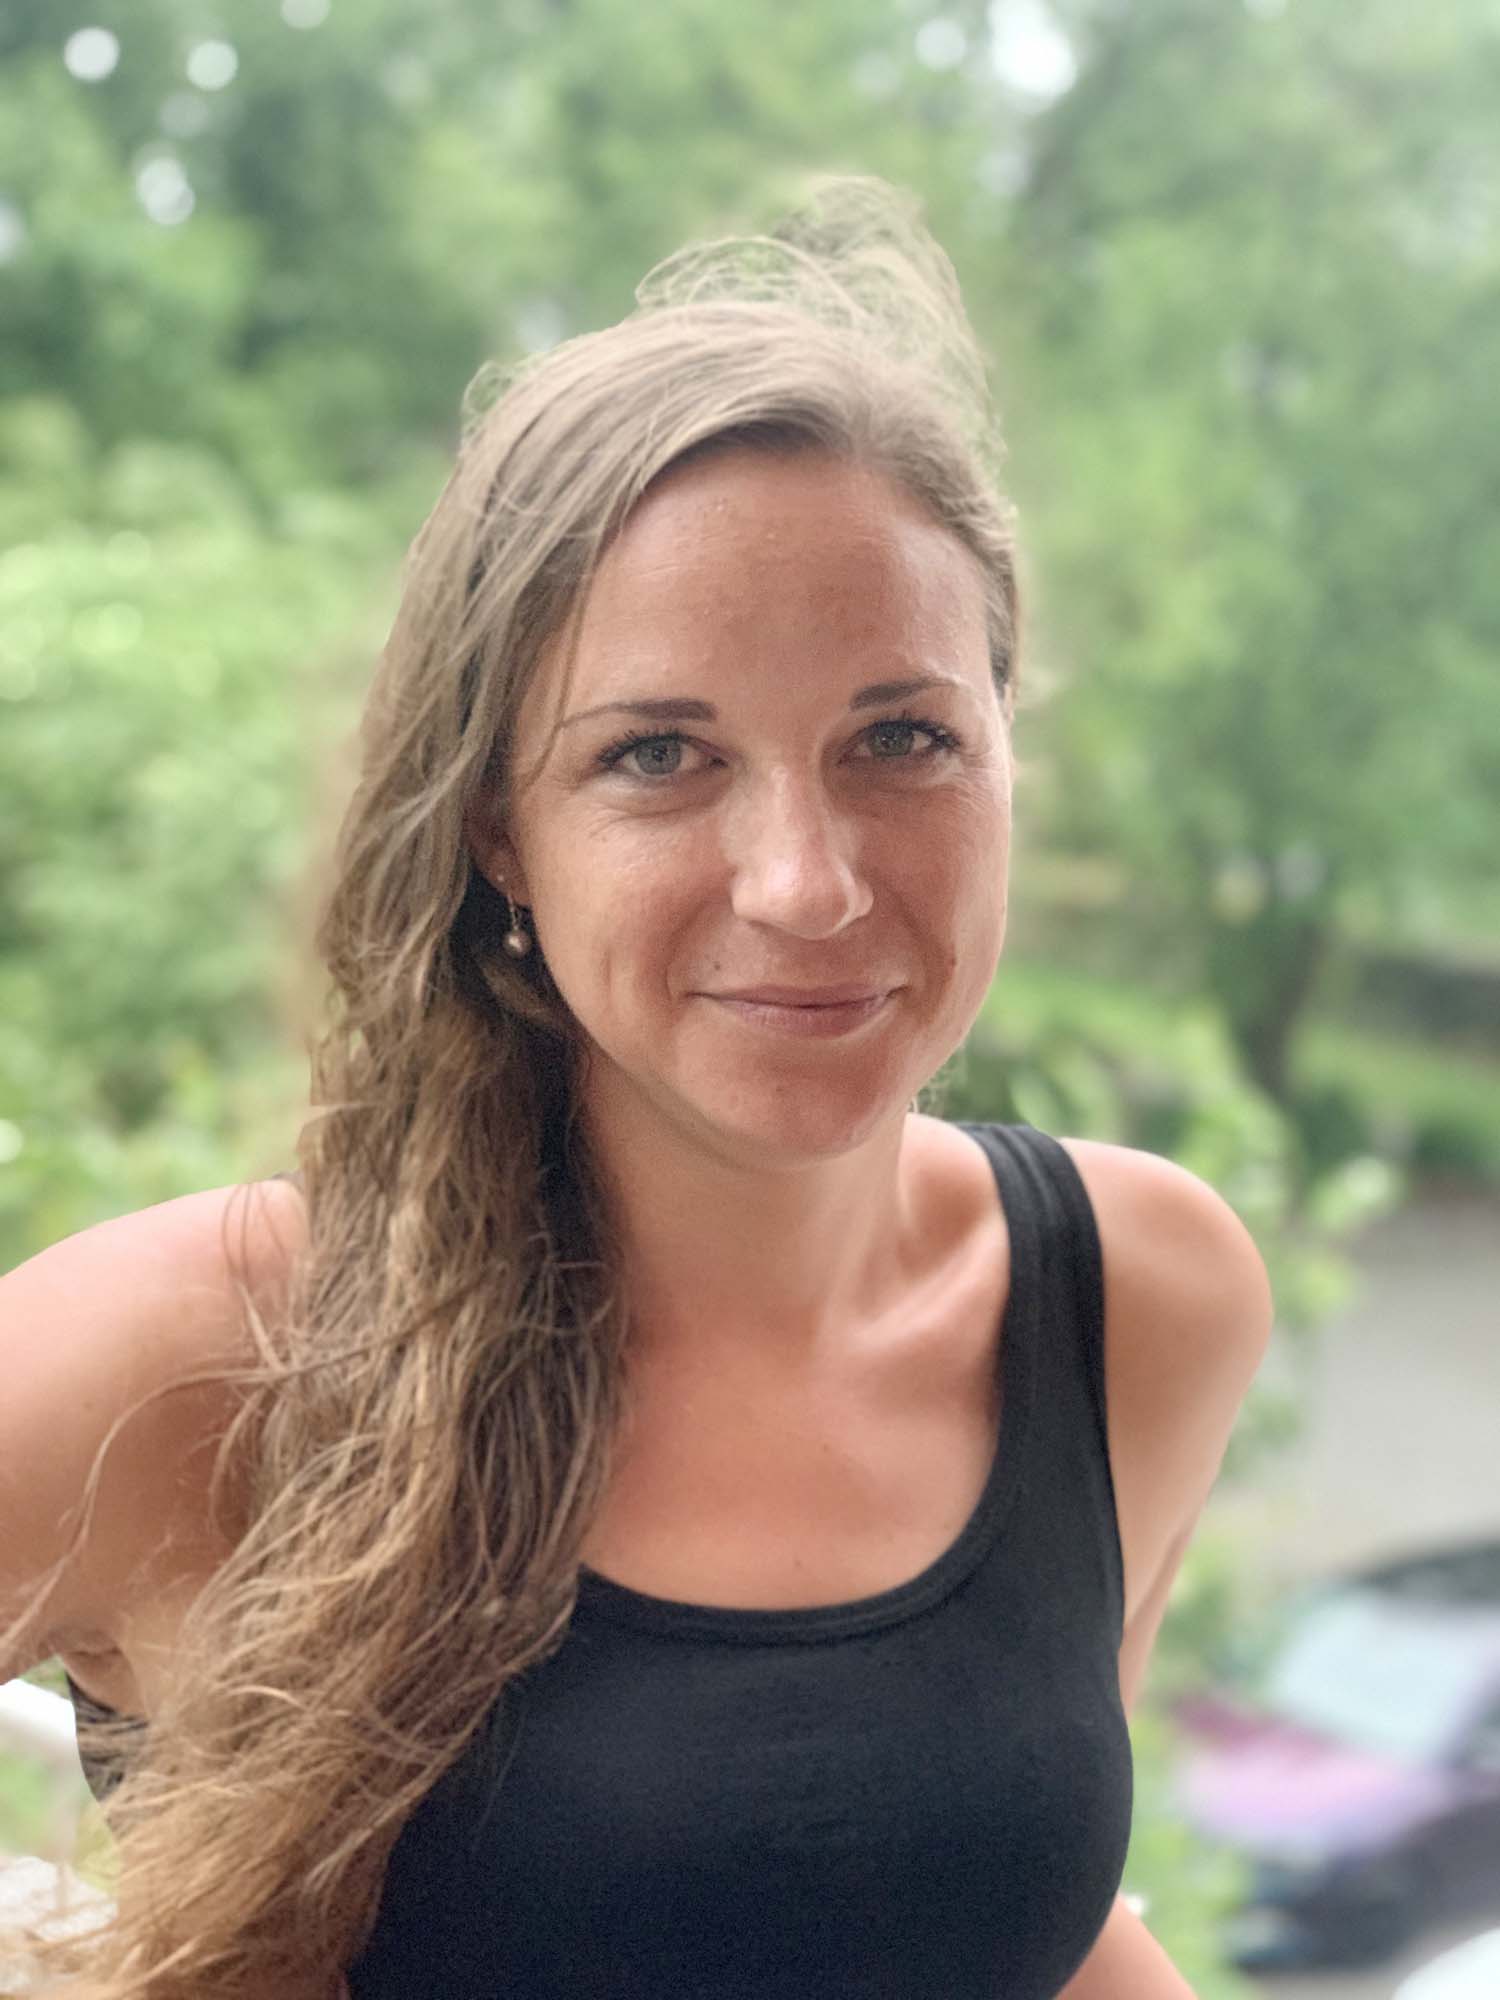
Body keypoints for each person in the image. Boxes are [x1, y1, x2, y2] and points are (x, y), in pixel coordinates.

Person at [0, 179, 1270, 1999]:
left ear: (1008, 754)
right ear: (499, 832)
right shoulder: (205, 1357)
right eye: (661, 756)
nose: (806, 883)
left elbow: (1000, 1921)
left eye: (902, 736)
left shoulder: (1138, 1293)